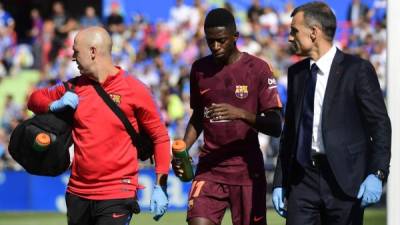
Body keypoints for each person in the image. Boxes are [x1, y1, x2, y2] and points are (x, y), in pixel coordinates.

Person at [27, 26, 170, 225]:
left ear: (93, 51)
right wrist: (53, 104)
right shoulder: (73, 87)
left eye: (76, 52)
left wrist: (161, 186)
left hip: (117, 192)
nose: (73, 58)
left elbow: (160, 137)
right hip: (77, 193)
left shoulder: (136, 90)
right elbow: (34, 99)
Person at [272, 2, 391, 225]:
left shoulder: (357, 70)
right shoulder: (296, 73)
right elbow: (289, 133)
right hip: (302, 181)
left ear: (314, 32)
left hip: (345, 181)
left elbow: (380, 125)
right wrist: (279, 181)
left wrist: (377, 173)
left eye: (294, 30)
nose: (289, 37)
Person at [173, 8, 283, 225]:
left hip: (246, 170)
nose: (215, 46)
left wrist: (240, 114)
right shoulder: (199, 69)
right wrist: (183, 149)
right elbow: (198, 116)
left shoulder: (257, 69)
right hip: (209, 167)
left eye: (221, 40)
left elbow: (275, 124)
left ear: (235, 37)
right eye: (210, 41)